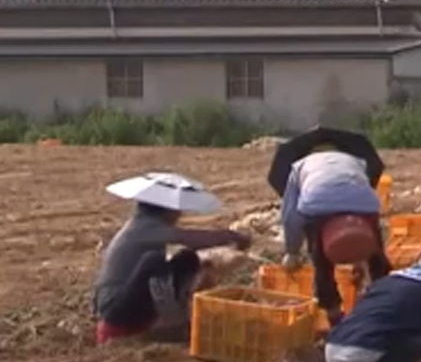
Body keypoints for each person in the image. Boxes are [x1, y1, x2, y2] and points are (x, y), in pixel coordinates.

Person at [93, 202, 251, 344]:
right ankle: (173, 321)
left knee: (186, 258)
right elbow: (190, 238)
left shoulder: (144, 225)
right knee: (153, 261)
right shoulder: (144, 227)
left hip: (125, 302)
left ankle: (176, 315)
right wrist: (230, 236)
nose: (179, 213)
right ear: (166, 209)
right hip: (115, 311)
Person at [281, 147, 392, 324]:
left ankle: (334, 315)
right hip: (365, 203)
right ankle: (384, 301)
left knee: (322, 264)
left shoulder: (298, 167)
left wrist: (292, 252)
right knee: (376, 258)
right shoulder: (356, 160)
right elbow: (353, 197)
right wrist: (359, 258)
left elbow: (290, 216)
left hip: (319, 204)